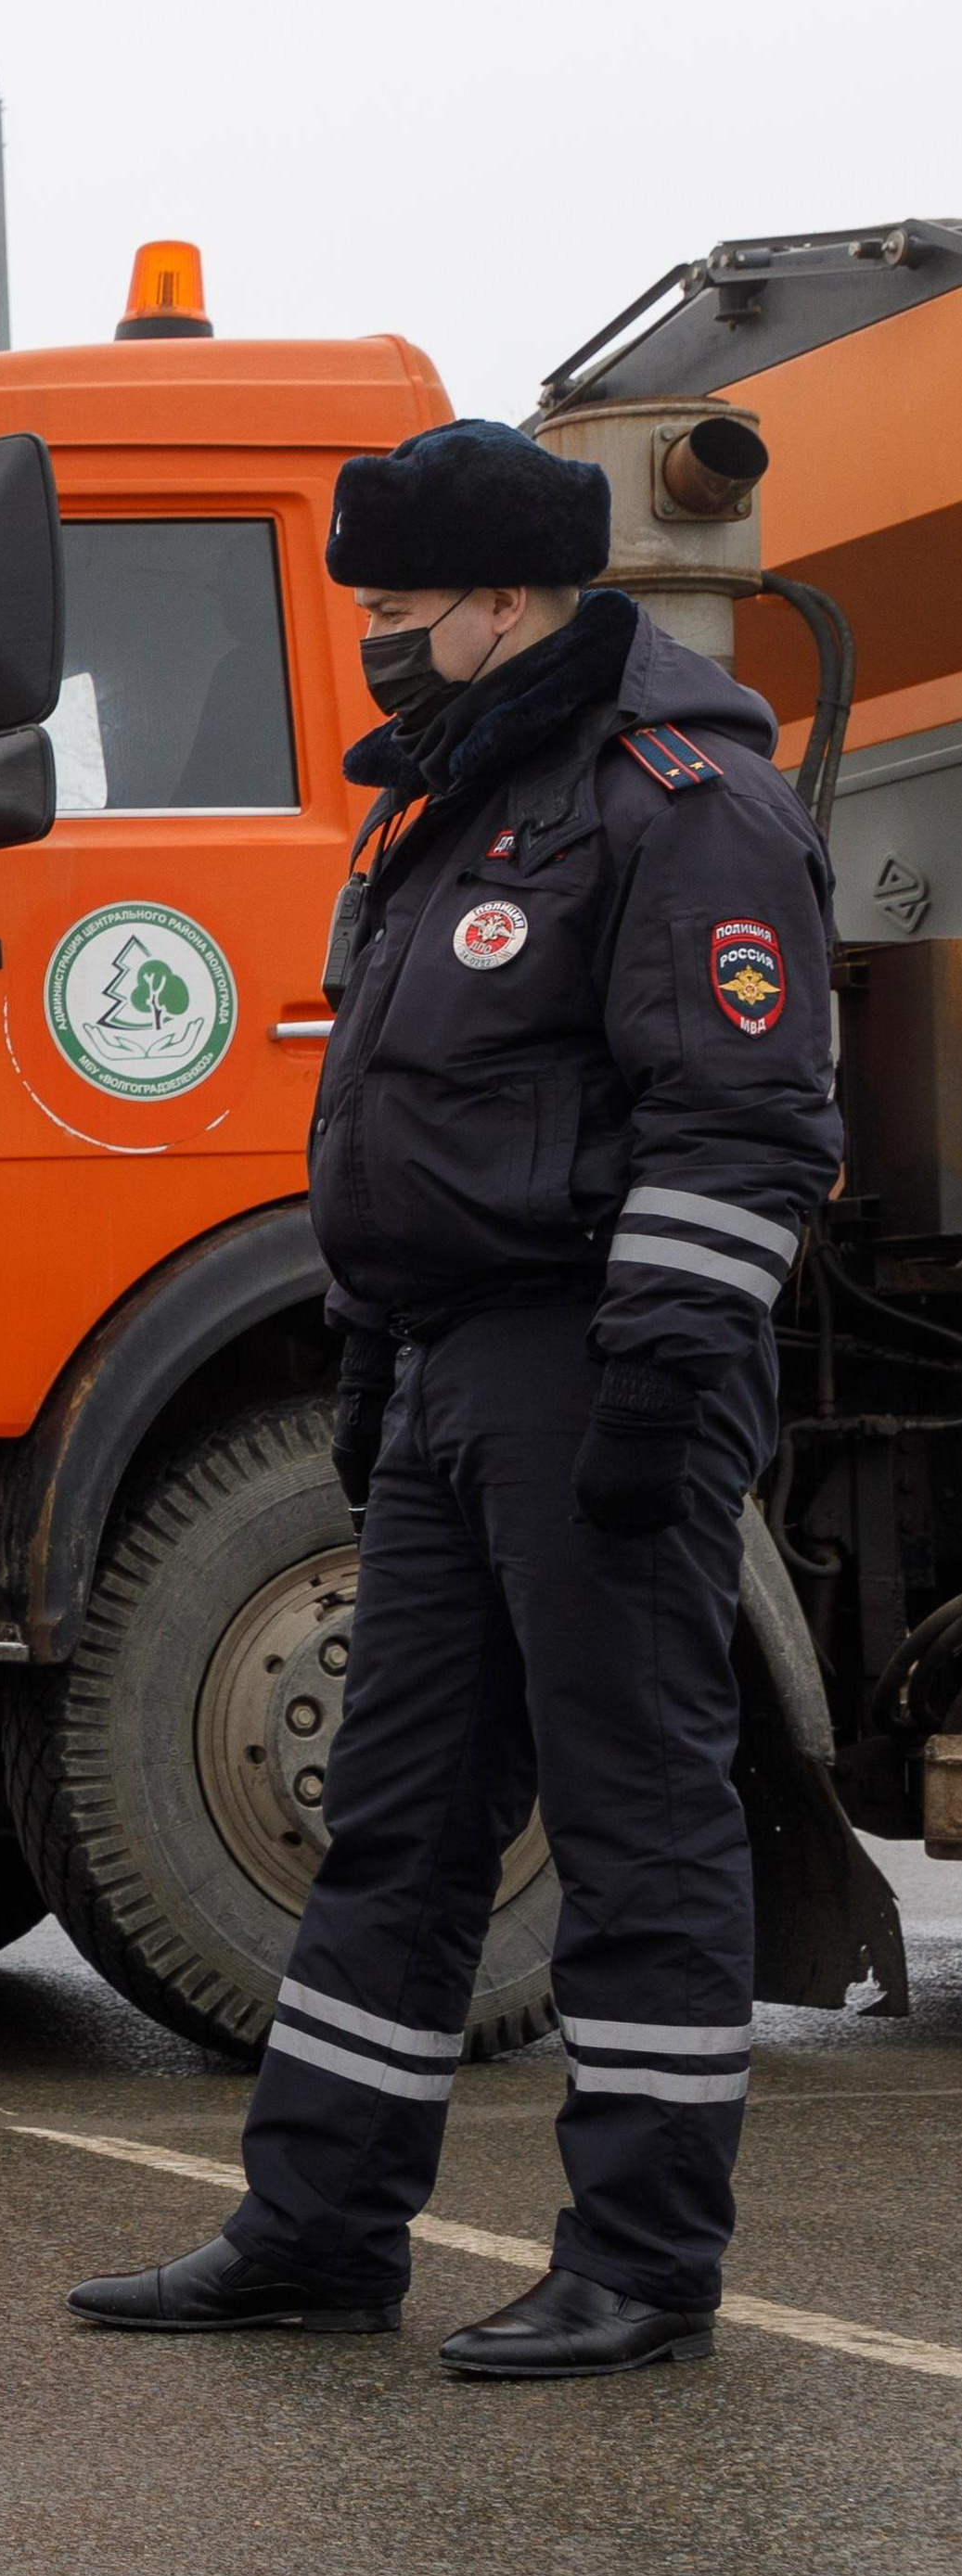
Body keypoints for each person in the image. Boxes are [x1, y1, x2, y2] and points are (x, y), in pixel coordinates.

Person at [68, 419, 840, 2378]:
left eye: (399, 613)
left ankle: (643, 2262)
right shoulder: (452, 801)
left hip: (596, 1366)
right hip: (441, 1374)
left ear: (513, 597)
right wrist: (363, 1342)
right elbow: (406, 1118)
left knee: (634, 1811)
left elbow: (741, 1123)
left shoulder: (678, 800)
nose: (373, 647)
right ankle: (319, 2228)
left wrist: (657, 1392)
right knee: (397, 1823)